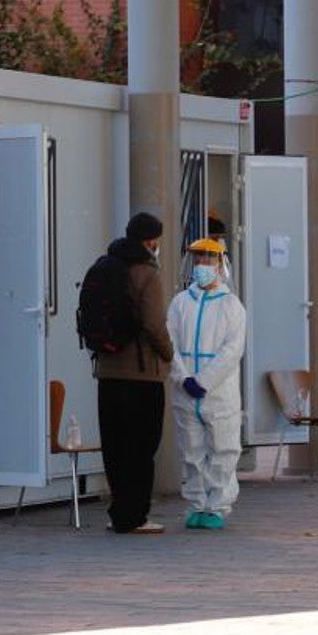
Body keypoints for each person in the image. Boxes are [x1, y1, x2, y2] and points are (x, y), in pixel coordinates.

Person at [94, 212, 175, 535]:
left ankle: (118, 512)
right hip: (143, 375)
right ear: (151, 241)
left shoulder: (105, 266)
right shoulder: (147, 274)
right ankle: (135, 516)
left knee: (115, 445)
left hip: (108, 371)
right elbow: (154, 324)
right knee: (142, 447)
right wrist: (169, 354)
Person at [167, 238, 247, 530]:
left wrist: (204, 381)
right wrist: (183, 377)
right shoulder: (180, 303)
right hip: (185, 391)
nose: (203, 266)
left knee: (224, 449)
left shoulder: (231, 306)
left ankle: (217, 505)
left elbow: (232, 350)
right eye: (198, 260)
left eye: (209, 261)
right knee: (191, 450)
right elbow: (169, 343)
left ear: (220, 265)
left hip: (219, 393)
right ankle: (197, 504)